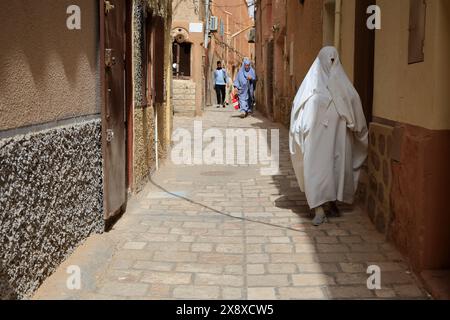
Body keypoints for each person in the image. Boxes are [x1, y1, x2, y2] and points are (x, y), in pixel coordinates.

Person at [289, 46, 368, 226]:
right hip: (315, 141)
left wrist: (356, 127)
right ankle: (318, 209)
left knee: (335, 171)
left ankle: (331, 202)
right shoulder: (310, 87)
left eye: (334, 61)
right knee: (316, 172)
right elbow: (299, 110)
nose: (330, 64)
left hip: (338, 140)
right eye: (328, 60)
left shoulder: (344, 87)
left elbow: (354, 106)